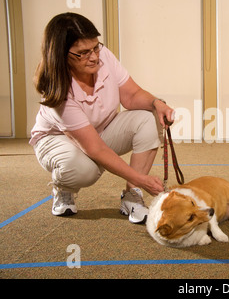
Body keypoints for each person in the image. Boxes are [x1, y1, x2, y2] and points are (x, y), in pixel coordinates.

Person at [29, 12, 174, 224]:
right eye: (83, 53)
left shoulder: (103, 55)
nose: (95, 56)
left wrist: (156, 103)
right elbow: (96, 149)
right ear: (61, 55)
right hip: (55, 140)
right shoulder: (57, 91)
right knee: (85, 170)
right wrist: (142, 179)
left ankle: (131, 197)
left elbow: (132, 95)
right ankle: (64, 188)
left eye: (96, 47)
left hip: (98, 131)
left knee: (149, 117)